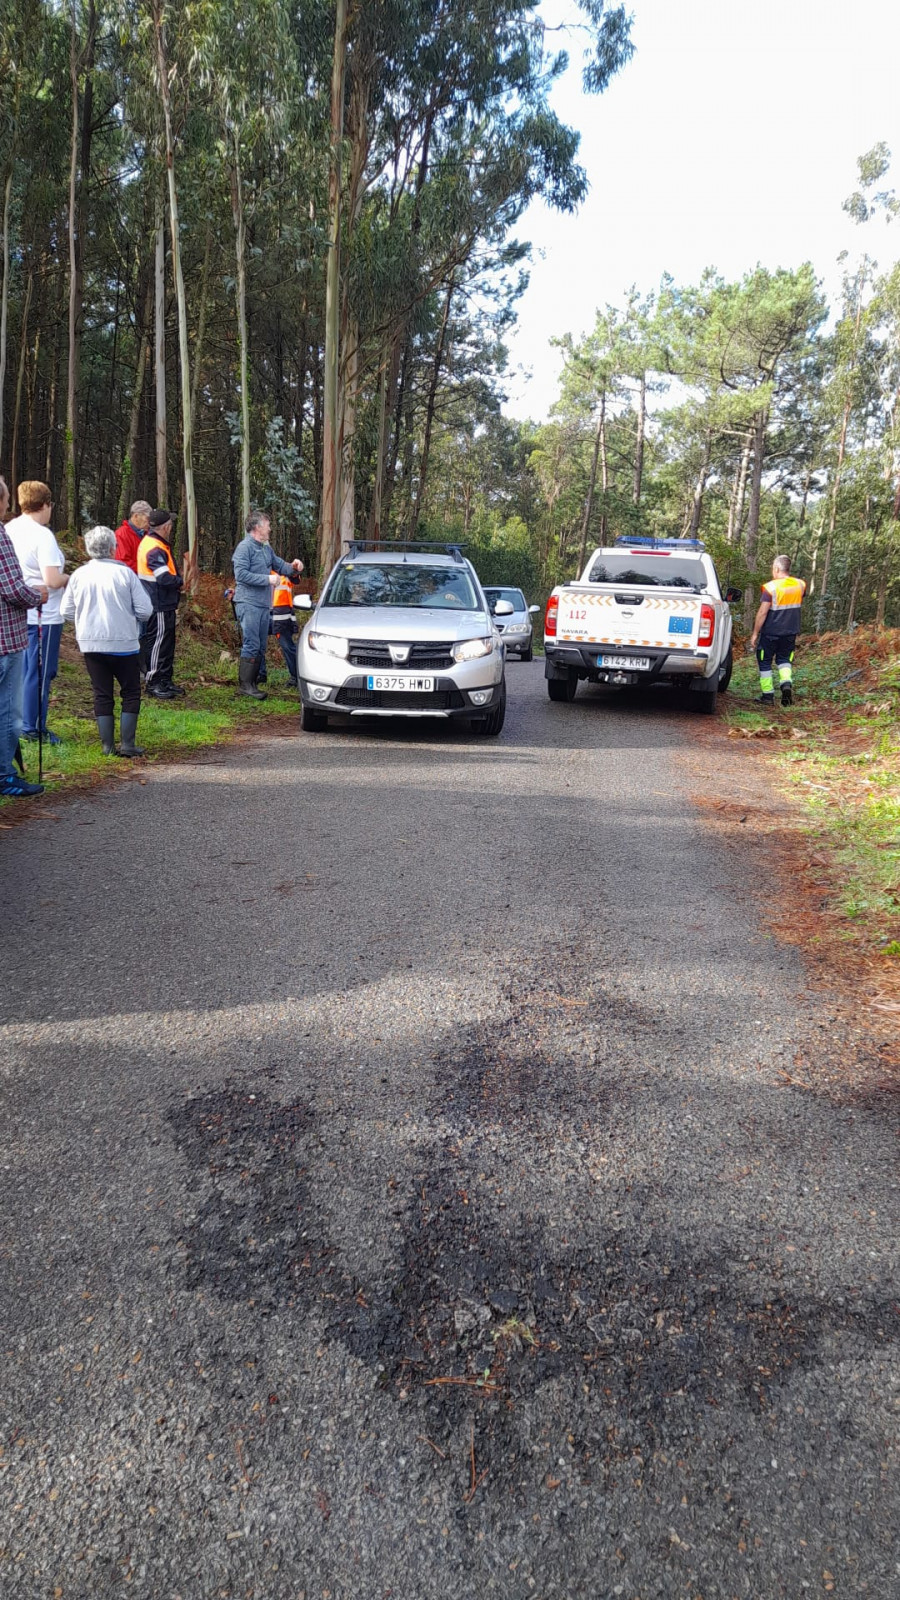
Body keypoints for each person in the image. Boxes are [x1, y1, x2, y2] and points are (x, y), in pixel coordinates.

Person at [60, 526, 153, 756]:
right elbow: (145, 609)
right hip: (124, 643)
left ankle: (107, 746)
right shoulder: (125, 574)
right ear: (114, 548)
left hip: (92, 644)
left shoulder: (79, 575)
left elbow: (66, 611)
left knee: (102, 693)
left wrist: (85, 622)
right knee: (130, 691)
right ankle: (128, 744)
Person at [4, 479, 68, 745]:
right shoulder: (43, 535)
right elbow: (52, 580)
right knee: (41, 672)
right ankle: (32, 727)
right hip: (45, 614)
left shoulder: (10, 527)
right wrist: (72, 577)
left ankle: (19, 723)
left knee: (22, 672)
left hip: (17, 612)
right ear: (46, 504)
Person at [0, 476, 48, 798]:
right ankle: (5, 775)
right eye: (4, 499)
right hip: (5, 638)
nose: (6, 506)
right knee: (7, 711)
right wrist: (37, 595)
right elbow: (11, 587)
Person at [231, 510, 303, 700]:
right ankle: (246, 685)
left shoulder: (265, 548)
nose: (270, 528)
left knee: (261, 646)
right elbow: (241, 575)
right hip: (248, 603)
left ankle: (253, 683)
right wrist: (268, 579)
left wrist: (295, 568)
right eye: (267, 525)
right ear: (257, 527)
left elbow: (281, 566)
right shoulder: (244, 548)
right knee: (252, 643)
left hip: (263, 605)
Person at [137, 508, 184, 700]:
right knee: (158, 644)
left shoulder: (156, 544)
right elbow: (164, 578)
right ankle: (154, 682)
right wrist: (181, 582)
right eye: (170, 524)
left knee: (166, 644)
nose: (171, 527)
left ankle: (165, 680)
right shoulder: (154, 548)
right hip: (158, 603)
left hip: (163, 602)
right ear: (166, 527)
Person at [749, 554, 807, 708]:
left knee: (765, 661)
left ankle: (768, 695)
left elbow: (762, 612)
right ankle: (786, 684)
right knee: (784, 660)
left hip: (770, 633)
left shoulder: (771, 587)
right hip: (790, 633)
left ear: (776, 569)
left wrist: (755, 633)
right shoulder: (800, 585)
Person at [114, 500, 152, 573]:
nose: (149, 522)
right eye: (147, 518)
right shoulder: (121, 534)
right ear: (136, 516)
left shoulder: (147, 534)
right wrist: (147, 568)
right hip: (129, 580)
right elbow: (122, 562)